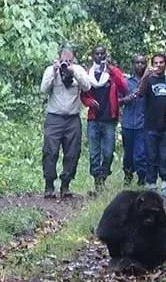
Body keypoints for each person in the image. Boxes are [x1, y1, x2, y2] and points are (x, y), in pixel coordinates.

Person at [40, 45, 92, 198]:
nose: (66, 63)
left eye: (69, 60)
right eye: (63, 60)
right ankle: (49, 185)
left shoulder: (78, 70)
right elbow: (43, 89)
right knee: (50, 151)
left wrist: (73, 72)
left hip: (72, 119)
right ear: (59, 57)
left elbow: (87, 86)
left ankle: (65, 185)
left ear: (73, 59)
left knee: (72, 153)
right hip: (54, 118)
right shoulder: (51, 70)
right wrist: (55, 71)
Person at [81, 45, 128, 192]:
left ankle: (103, 175)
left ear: (105, 55)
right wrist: (89, 102)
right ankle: (97, 182)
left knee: (108, 152)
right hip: (94, 119)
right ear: (92, 55)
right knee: (94, 153)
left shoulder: (112, 72)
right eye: (97, 54)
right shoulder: (88, 73)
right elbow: (83, 93)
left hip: (109, 119)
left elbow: (124, 88)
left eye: (102, 54)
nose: (99, 56)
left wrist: (112, 71)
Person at [136, 52, 166, 197]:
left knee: (164, 156)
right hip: (150, 125)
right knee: (151, 156)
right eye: (155, 63)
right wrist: (145, 76)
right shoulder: (148, 80)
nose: (158, 65)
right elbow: (140, 93)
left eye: (161, 62)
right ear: (152, 65)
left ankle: (165, 184)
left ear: (165, 64)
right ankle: (151, 185)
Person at [119, 54, 148, 186]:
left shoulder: (150, 81)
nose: (140, 65)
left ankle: (142, 178)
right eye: (137, 63)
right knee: (128, 154)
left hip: (143, 124)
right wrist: (126, 100)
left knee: (141, 154)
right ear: (133, 64)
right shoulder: (125, 82)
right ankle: (128, 176)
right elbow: (116, 101)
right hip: (127, 123)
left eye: (142, 63)